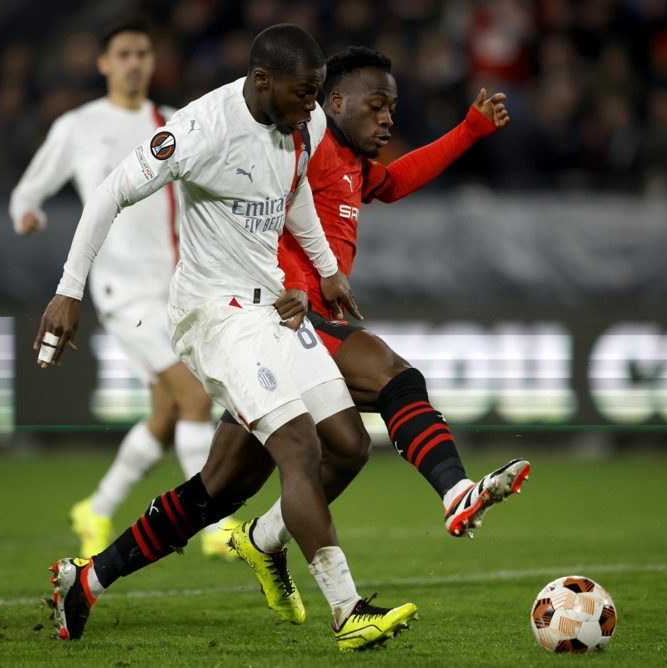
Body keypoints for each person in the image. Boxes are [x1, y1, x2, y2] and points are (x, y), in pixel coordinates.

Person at [37, 24, 417, 651]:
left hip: (274, 309)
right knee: (299, 449)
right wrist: (68, 289)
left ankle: (90, 578)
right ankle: (348, 611)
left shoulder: (305, 123)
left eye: (318, 94)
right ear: (262, 81)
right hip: (213, 316)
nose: (311, 109)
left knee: (338, 447)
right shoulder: (200, 131)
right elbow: (109, 192)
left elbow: (292, 196)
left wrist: (327, 272)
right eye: (302, 94)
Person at [216, 45, 529, 624]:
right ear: (332, 101)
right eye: (376, 105)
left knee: (330, 454)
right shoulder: (300, 144)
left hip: (306, 321)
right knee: (393, 376)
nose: (388, 118)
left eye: (392, 107)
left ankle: (256, 540)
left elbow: (394, 181)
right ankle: (454, 494)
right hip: (279, 317)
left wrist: (468, 130)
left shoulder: (354, 163)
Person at [8, 20, 237, 560]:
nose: (134, 62)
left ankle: (97, 505)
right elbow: (28, 189)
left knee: (166, 411)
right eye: (124, 53)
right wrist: (27, 212)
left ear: (152, 64)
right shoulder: (78, 126)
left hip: (175, 288)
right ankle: (211, 525)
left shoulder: (171, 122)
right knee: (194, 397)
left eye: (142, 53)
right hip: (119, 293)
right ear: (104, 63)